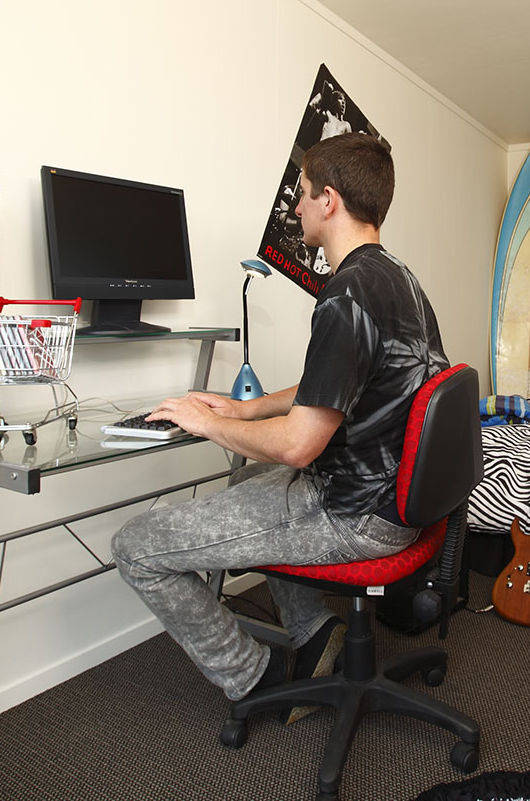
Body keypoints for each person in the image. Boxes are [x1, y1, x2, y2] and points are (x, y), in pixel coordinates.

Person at [111, 132, 449, 724]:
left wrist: (204, 425)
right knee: (250, 483)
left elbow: (298, 447)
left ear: (329, 200)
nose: (296, 208)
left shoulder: (347, 295)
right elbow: (337, 385)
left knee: (135, 546)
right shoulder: (398, 280)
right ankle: (317, 635)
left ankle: (257, 677)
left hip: (355, 515)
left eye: (302, 195)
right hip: (395, 502)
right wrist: (245, 409)